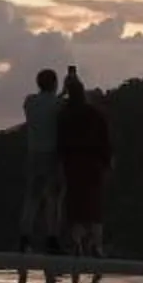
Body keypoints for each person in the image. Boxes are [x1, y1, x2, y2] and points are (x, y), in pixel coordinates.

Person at [56, 70, 113, 259]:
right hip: (94, 164)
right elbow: (105, 140)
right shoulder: (95, 114)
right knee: (94, 206)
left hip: (72, 164)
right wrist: (107, 162)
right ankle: (97, 245)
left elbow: (61, 142)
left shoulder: (65, 115)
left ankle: (77, 243)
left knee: (75, 206)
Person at [18, 67, 64, 257]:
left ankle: (24, 239)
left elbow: (46, 105)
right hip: (52, 155)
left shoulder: (29, 102)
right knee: (52, 200)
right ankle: (51, 239)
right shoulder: (59, 104)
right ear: (54, 83)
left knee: (32, 199)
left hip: (33, 154)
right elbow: (57, 107)